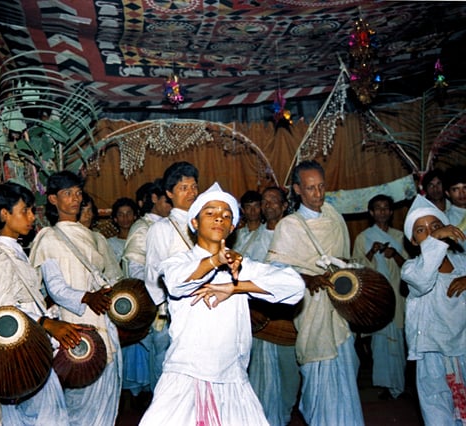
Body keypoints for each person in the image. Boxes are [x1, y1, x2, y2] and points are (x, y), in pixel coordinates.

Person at [139, 182, 304, 426]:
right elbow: (176, 283)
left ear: (233, 226)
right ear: (194, 223)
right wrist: (215, 261)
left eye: (226, 216)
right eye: (210, 213)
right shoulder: (178, 262)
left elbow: (295, 287)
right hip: (185, 374)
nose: (219, 219)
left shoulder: (240, 267)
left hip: (232, 377)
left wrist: (236, 286)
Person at [0, 181, 89, 426]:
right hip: (16, 359)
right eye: (24, 211)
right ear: (4, 214)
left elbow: (24, 301)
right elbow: (3, 317)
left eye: (31, 211)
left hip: (32, 351)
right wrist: (46, 323)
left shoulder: (16, 251)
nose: (31, 217)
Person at [266, 160, 365, 425]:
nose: (318, 194)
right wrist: (308, 278)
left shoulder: (334, 216)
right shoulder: (289, 226)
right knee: (317, 378)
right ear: (298, 189)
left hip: (340, 307)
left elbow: (345, 256)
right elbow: (275, 272)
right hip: (312, 310)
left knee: (346, 369)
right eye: (310, 188)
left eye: (321, 186)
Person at [28, 170, 123, 425]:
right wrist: (87, 298)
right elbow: (56, 288)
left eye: (78, 193)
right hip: (74, 322)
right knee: (78, 393)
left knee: (106, 389)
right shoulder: (48, 237)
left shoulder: (90, 235)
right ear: (53, 200)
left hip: (101, 317)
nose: (75, 199)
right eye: (67, 193)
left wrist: (103, 294)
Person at [400, 194, 466, 425]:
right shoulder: (412, 269)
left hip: (462, 348)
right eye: (421, 230)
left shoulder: (461, 264)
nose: (430, 233)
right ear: (413, 241)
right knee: (439, 415)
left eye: (436, 226)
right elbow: (424, 279)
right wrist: (435, 240)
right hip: (432, 352)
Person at [247, 186, 301, 426]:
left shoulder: (296, 236)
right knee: (259, 372)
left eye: (274, 201)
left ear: (284, 205)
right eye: (264, 201)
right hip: (260, 320)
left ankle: (284, 415)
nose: (268, 205)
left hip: (289, 318)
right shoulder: (250, 239)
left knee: (290, 372)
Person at [144, 161, 199, 388]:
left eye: (194, 187)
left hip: (204, 309)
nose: (191, 193)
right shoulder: (162, 228)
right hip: (173, 312)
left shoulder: (205, 223)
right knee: (170, 371)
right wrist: (165, 309)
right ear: (169, 193)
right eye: (183, 188)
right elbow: (152, 273)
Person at [352, 194, 408, 400]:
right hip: (376, 298)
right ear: (371, 212)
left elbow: (409, 268)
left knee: (397, 342)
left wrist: (395, 254)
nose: (382, 211)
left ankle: (399, 387)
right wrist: (371, 252)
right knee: (380, 342)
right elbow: (356, 268)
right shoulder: (363, 237)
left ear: (391, 212)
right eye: (378, 208)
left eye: (386, 208)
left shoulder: (400, 236)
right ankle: (385, 385)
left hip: (396, 293)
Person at [120, 179, 171, 401]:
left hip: (174, 303)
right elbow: (135, 269)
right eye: (166, 200)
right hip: (157, 306)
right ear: (154, 200)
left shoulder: (171, 224)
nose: (171, 205)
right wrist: (161, 291)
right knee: (161, 354)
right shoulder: (143, 227)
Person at [106, 197, 139, 264]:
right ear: (115, 219)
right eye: (120, 214)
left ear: (134, 216)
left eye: (129, 214)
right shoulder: (110, 243)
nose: (125, 218)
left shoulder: (141, 239)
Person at [233, 190, 263, 258]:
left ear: (261, 208)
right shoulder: (237, 235)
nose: (253, 211)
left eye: (256, 206)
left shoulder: (266, 232)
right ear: (243, 210)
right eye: (248, 207)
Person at [444, 166, 466, 251]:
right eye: (455, 189)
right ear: (448, 193)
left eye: (465, 187)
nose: (462, 193)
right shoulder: (445, 218)